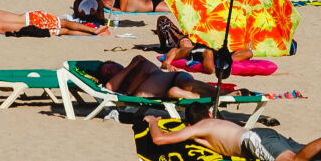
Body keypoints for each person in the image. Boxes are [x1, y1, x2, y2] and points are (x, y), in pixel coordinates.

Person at [143, 108, 321, 161]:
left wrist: (154, 121)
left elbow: (159, 140)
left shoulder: (199, 127)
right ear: (208, 112)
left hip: (253, 141)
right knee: (314, 157)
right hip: (262, 134)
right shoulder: (217, 120)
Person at [92, 55, 229, 100]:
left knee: (187, 84)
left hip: (174, 77)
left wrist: (130, 90)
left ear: (118, 63)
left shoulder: (137, 62)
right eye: (107, 73)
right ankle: (216, 97)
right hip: (169, 92)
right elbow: (109, 87)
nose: (110, 71)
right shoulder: (115, 83)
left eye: (110, 66)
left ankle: (223, 93)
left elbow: (141, 62)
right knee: (175, 92)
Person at [0, 9, 109, 36]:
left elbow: (3, 31)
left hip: (31, 27)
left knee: (64, 31)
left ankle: (93, 34)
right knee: (64, 22)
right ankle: (93, 30)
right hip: (31, 17)